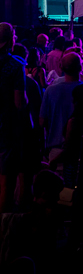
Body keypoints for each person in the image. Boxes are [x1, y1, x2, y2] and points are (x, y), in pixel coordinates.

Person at [0, 22, 29, 213]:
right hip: (6, 127)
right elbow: (19, 103)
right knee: (5, 181)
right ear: (11, 39)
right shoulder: (15, 65)